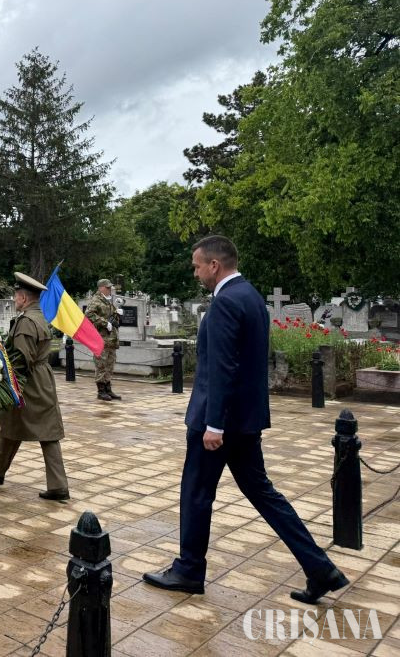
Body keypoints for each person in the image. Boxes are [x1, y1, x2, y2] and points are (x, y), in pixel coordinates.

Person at [143, 235, 348, 604]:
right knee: (264, 494)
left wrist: (214, 424)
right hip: (245, 421)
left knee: (196, 493)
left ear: (214, 265)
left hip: (218, 422)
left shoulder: (225, 302)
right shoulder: (251, 296)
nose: (195, 273)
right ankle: (320, 568)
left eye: (197, 266)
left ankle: (189, 570)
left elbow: (223, 366)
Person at [0, 272, 70, 501]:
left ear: (24, 298)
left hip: (28, 382)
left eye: (16, 296)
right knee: (26, 427)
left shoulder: (26, 321)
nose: (14, 299)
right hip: (42, 379)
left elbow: (20, 358)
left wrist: (5, 379)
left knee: (22, 424)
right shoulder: (40, 316)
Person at [84, 278, 122, 401]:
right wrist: (105, 323)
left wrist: (117, 313)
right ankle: (101, 391)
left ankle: (108, 389)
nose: (110, 289)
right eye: (107, 287)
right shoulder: (96, 300)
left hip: (111, 339)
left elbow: (109, 315)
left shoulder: (108, 300)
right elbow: (89, 314)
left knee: (110, 365)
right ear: (101, 288)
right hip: (101, 338)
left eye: (110, 287)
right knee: (101, 365)